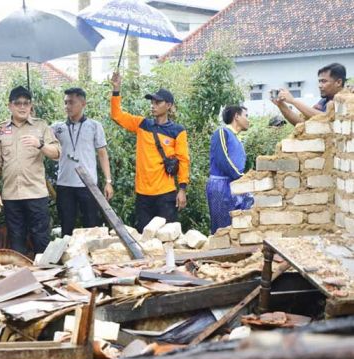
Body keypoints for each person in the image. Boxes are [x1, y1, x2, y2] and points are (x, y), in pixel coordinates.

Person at [110, 71, 190, 232]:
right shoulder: (142, 125)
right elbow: (116, 115)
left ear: (168, 105)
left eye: (157, 102)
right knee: (144, 239)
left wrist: (182, 190)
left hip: (166, 194)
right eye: (152, 102)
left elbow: (183, 160)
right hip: (143, 194)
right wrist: (116, 90)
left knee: (167, 237)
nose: (152, 105)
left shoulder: (178, 131)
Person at [0, 86, 61, 255]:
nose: (22, 107)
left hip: (36, 193)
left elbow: (57, 153)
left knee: (41, 239)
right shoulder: (0, 130)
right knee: (16, 240)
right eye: (18, 103)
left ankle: (46, 277)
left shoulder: (41, 126)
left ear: (31, 106)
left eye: (26, 103)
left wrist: (40, 144)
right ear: (10, 106)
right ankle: (22, 278)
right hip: (11, 195)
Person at [51, 87, 113, 237]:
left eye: (71, 102)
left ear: (83, 103)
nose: (67, 106)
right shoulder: (57, 128)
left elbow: (103, 154)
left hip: (88, 184)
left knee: (92, 226)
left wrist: (108, 181)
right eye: (65, 103)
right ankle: (66, 258)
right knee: (66, 227)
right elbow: (41, 139)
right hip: (64, 184)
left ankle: (92, 258)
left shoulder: (94, 126)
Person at [206, 106, 253, 234]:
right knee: (222, 229)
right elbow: (222, 159)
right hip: (221, 186)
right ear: (236, 116)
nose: (248, 120)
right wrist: (241, 177)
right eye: (246, 115)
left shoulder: (237, 138)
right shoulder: (222, 132)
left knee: (238, 226)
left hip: (234, 185)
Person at [272, 63, 347, 125]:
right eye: (319, 81)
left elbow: (326, 119)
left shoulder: (347, 100)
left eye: (324, 81)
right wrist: (281, 105)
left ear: (338, 82)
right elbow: (303, 124)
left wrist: (293, 101)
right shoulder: (324, 101)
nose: (320, 86)